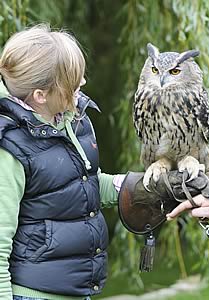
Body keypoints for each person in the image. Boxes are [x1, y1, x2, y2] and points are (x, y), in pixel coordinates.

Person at [0, 24, 126, 300]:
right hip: (32, 294)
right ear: (40, 95)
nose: (81, 85)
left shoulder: (73, 121)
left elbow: (82, 187)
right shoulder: (9, 148)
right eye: (72, 83)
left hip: (75, 291)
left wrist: (135, 187)